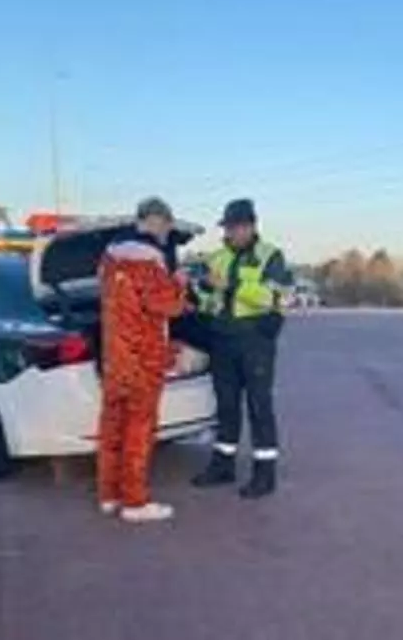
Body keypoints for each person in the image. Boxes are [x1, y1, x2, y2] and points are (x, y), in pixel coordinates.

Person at [191, 198, 294, 499]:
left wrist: (231, 285)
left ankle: (265, 475)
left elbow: (277, 298)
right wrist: (201, 289)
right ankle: (223, 466)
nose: (230, 232)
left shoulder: (270, 255)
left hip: (255, 341)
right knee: (226, 405)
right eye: (227, 227)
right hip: (222, 340)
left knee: (259, 407)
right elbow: (206, 297)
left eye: (236, 227)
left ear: (250, 226)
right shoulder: (217, 257)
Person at [96, 197, 190, 522]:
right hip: (143, 357)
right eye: (167, 225)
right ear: (156, 220)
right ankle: (135, 503)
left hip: (113, 357)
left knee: (112, 425)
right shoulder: (148, 262)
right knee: (139, 429)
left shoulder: (109, 260)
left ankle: (109, 495)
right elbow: (168, 306)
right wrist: (180, 282)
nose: (167, 233)